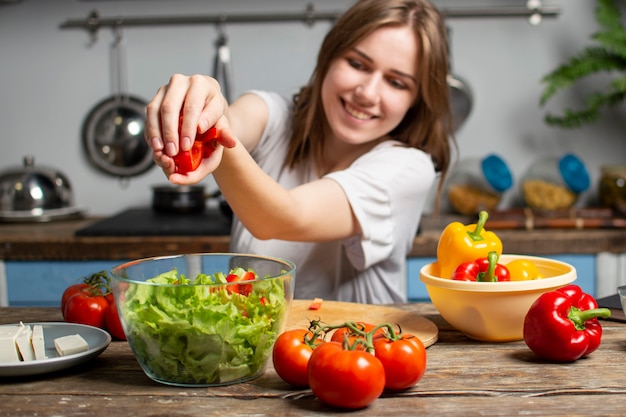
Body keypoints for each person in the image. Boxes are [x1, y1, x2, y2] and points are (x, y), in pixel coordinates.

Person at [145, 0, 454, 304]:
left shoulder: (409, 167)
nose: (367, 93)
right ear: (328, 57)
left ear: (416, 99)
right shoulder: (275, 115)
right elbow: (235, 120)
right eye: (358, 64)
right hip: (258, 348)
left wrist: (216, 137)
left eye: (396, 82)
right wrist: (202, 104)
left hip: (359, 348)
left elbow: (283, 218)